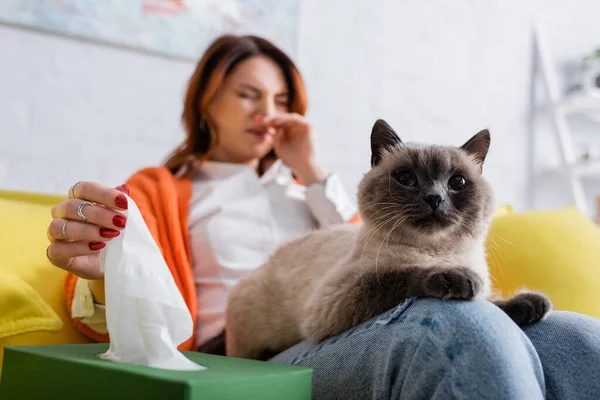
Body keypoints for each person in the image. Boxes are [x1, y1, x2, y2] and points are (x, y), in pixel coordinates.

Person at [45, 34, 600, 399]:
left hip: (375, 309)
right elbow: (111, 310)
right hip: (251, 354)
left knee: (577, 338)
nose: (267, 112)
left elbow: (378, 249)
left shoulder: (320, 189)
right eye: (247, 94)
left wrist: (311, 175)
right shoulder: (160, 190)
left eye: (281, 98)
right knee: (458, 328)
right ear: (205, 99)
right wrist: (110, 267)